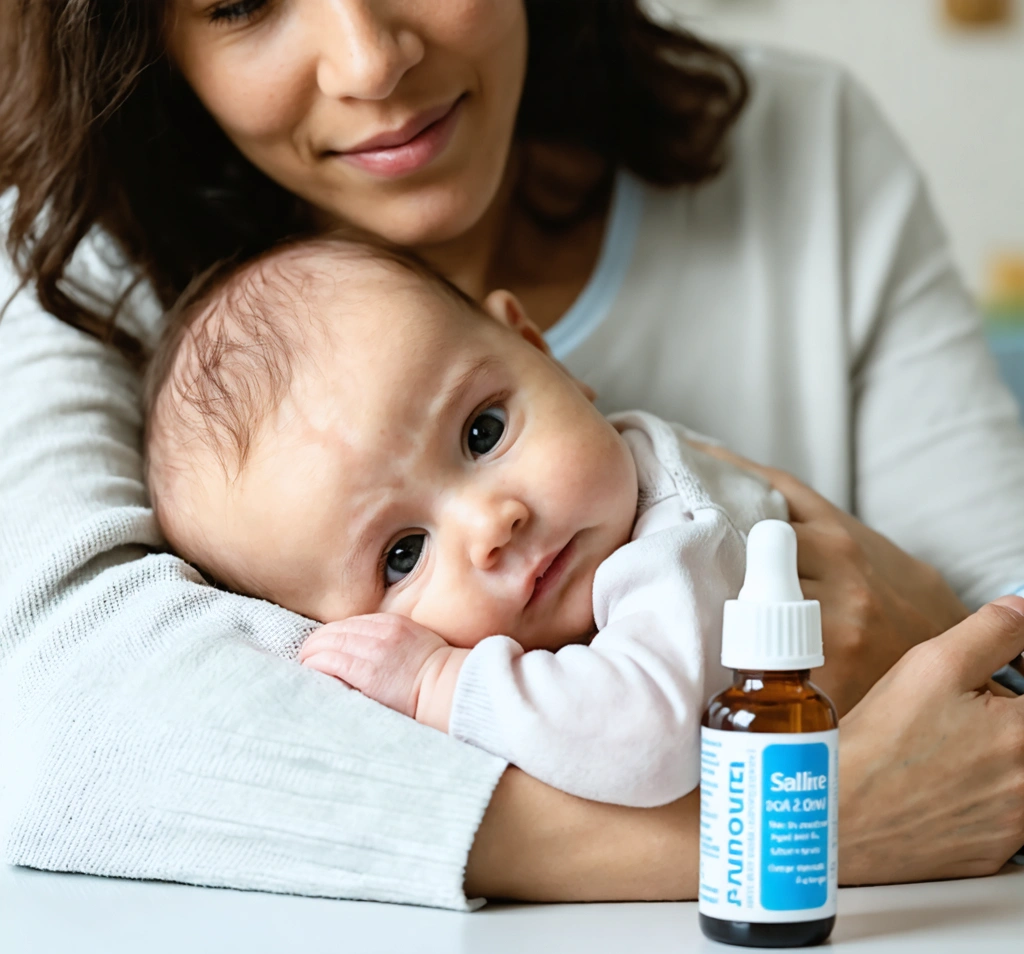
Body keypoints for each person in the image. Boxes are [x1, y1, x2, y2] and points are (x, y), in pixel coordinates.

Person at [1, 0, 1023, 908]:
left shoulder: (804, 147)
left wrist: (922, 624)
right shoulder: (71, 264)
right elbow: (59, 734)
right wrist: (809, 828)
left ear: (530, 343)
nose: (367, 60)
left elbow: (1002, 654)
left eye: (484, 432)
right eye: (241, 3)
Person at [143, 233, 789, 806]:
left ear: (540, 349)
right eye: (403, 554)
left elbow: (653, 740)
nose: (491, 526)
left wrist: (438, 682)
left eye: (484, 432)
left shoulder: (681, 535)